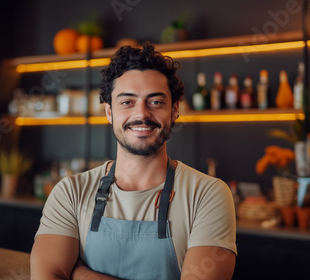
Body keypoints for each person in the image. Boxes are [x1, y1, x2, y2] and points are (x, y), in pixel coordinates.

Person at [31, 42, 237, 280]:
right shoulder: (70, 192)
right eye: (127, 102)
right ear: (109, 112)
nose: (141, 114)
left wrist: (80, 274)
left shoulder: (208, 195)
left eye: (156, 102)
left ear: (174, 110)